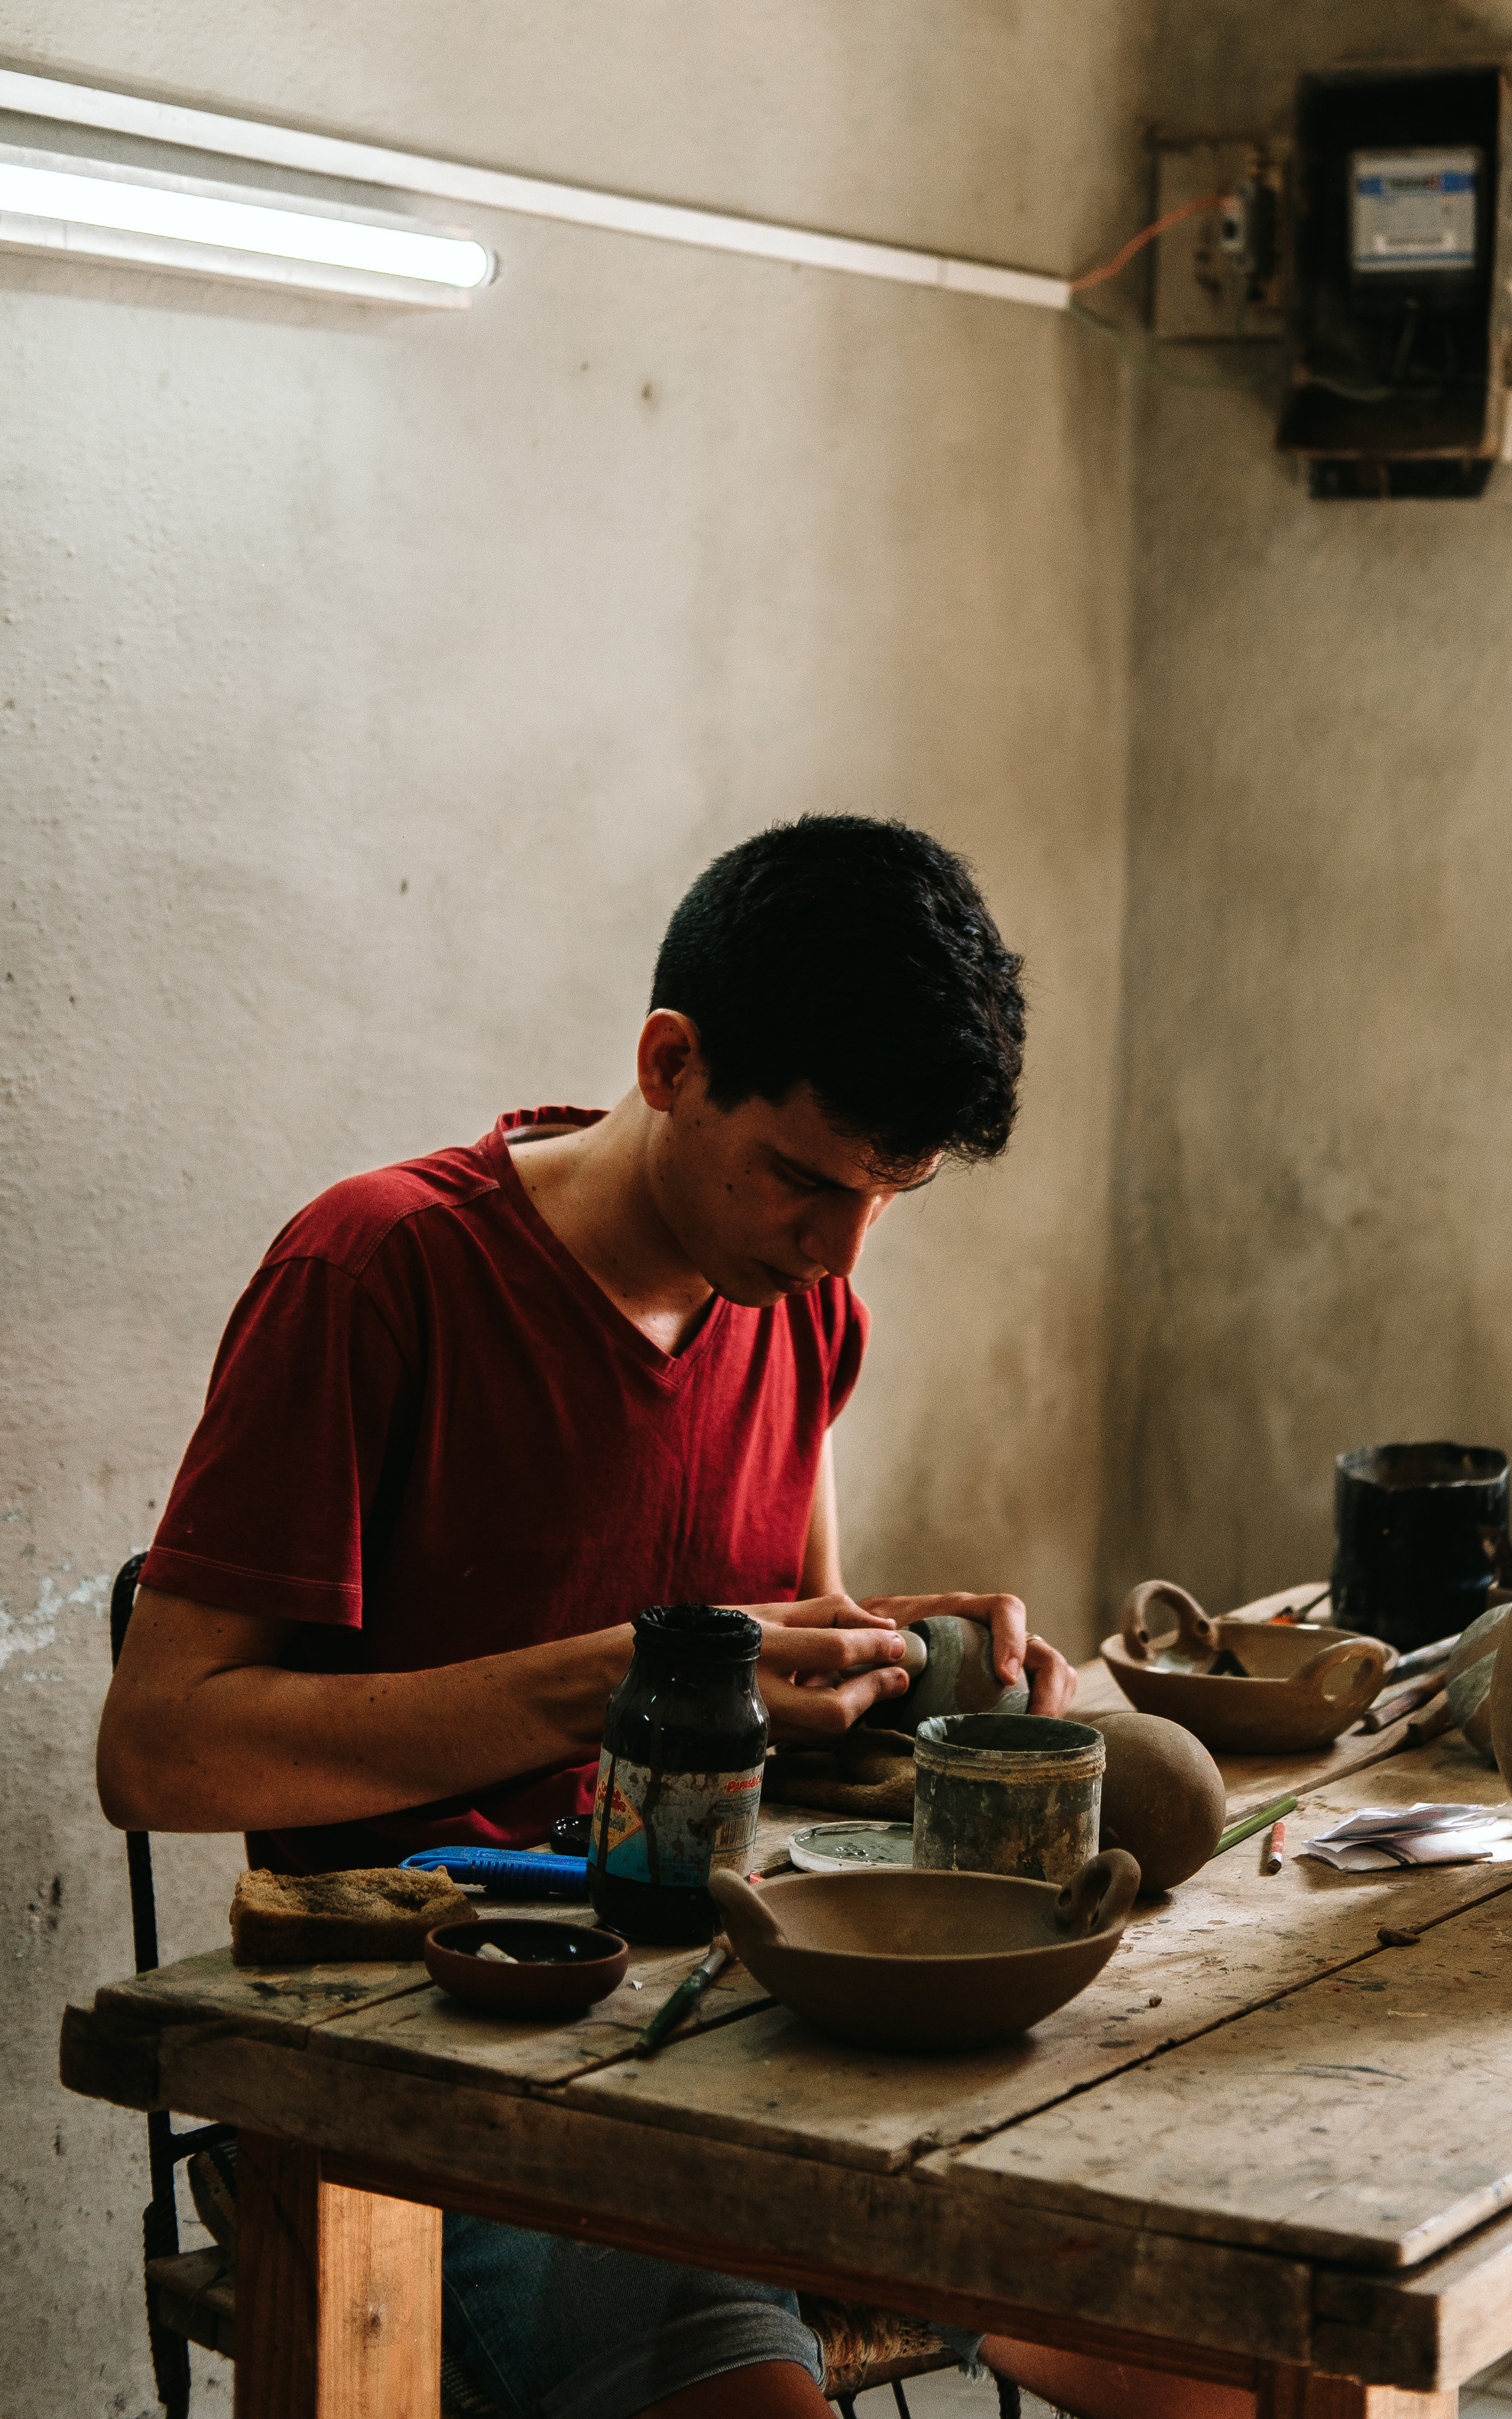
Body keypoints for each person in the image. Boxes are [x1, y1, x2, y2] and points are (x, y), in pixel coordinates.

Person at [99, 814, 1175, 2419]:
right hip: (433, 2081)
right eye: (803, 1181)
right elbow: (161, 1753)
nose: (836, 1250)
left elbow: (767, 1678)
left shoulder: (801, 1317)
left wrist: (887, 1664)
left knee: (1249, 2343)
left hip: (728, 2038)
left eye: (891, 1195)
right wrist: (599, 1683)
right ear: (669, 1061)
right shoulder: (377, 1273)